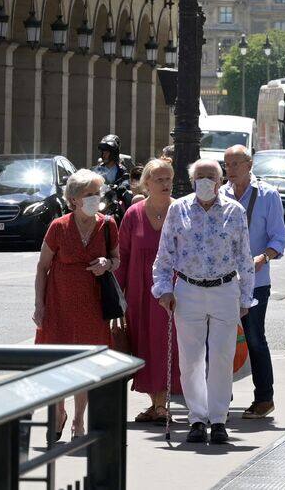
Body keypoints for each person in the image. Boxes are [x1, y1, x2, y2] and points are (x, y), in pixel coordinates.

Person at [152, 159, 254, 445]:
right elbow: (165, 255)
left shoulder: (235, 211)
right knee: (191, 359)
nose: (205, 181)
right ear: (192, 180)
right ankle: (197, 417)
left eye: (210, 176)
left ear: (220, 181)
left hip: (224, 289)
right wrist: (163, 289)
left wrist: (246, 297)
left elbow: (244, 258)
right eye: (200, 176)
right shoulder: (178, 209)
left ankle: (219, 419)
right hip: (188, 289)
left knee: (222, 357)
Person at [34, 169, 119, 440]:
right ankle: (59, 411)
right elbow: (42, 267)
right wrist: (39, 305)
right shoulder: (59, 226)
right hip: (58, 303)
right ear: (73, 200)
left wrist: (107, 263)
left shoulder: (108, 225)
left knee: (86, 363)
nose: (95, 198)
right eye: (88, 195)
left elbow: (116, 259)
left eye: (97, 193)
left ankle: (79, 419)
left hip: (92, 306)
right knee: (57, 361)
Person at [114, 159, 183, 423]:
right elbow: (122, 255)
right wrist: (117, 298)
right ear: (146, 184)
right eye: (159, 180)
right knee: (144, 344)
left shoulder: (180, 210)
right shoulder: (133, 214)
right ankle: (156, 404)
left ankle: (163, 403)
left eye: (169, 179)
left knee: (169, 345)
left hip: (172, 292)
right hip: (140, 293)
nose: (166, 184)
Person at [221, 144, 285, 420]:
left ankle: (264, 398)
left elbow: (278, 238)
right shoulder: (219, 194)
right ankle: (221, 396)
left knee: (255, 338)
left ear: (249, 164)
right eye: (227, 165)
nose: (230, 170)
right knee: (220, 339)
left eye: (236, 164)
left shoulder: (267, 195)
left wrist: (263, 258)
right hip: (221, 281)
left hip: (256, 281)